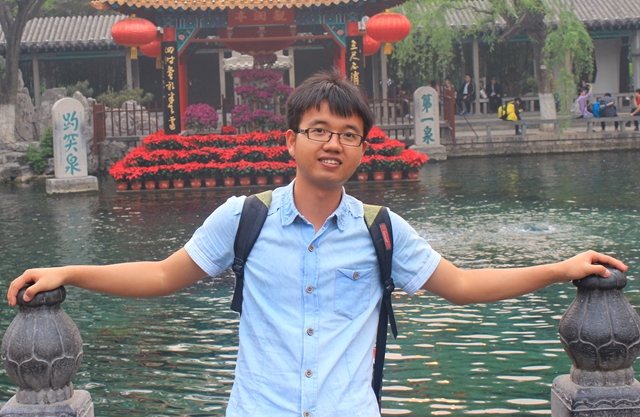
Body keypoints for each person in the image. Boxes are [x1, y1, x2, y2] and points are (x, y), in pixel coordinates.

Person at [7, 69, 627, 417]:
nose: (333, 143)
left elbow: (462, 285)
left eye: (348, 134)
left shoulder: (381, 229)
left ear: (362, 149)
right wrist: (71, 271)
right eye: (319, 130)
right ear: (291, 140)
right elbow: (164, 274)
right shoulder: (243, 217)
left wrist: (559, 268)